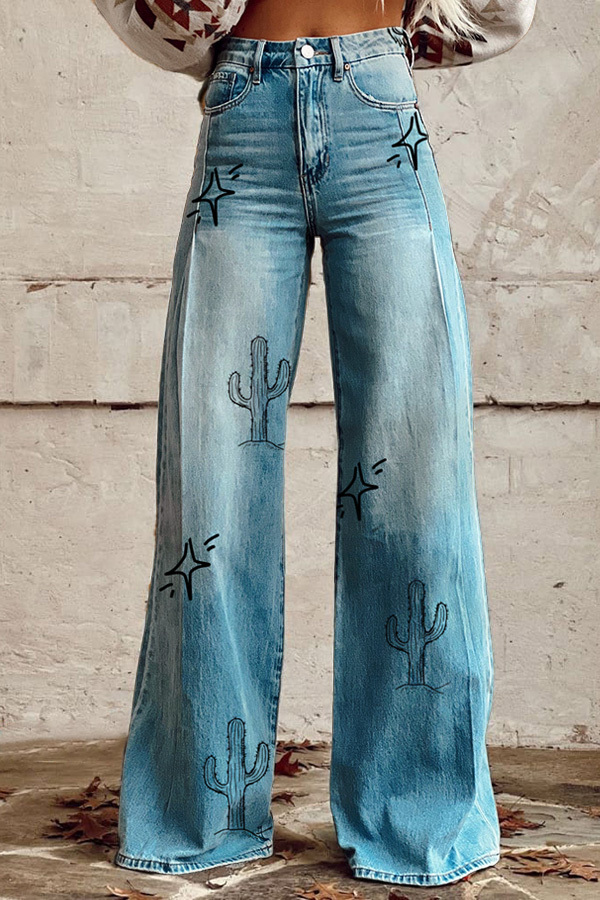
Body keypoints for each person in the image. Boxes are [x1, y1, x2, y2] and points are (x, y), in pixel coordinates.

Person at [91, 0, 537, 887]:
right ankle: (199, 818)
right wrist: (199, 26)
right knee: (210, 492)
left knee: (417, 486)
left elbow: (505, 8)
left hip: (378, 112)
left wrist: (410, 33)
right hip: (243, 116)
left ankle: (418, 821)